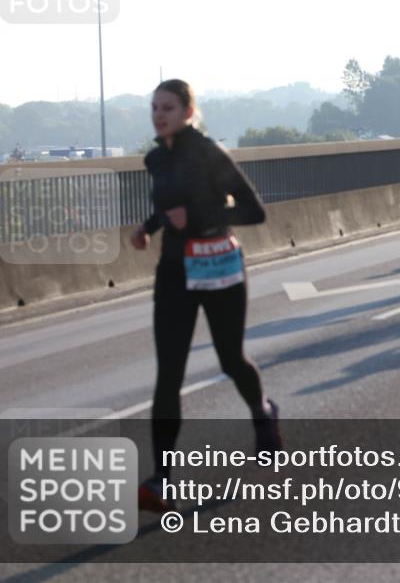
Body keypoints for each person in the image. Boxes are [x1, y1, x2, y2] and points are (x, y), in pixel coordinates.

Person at [130, 79, 279, 512]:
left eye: (168, 108)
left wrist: (194, 215)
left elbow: (254, 210)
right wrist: (149, 227)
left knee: (231, 359)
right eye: (155, 107)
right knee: (168, 373)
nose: (159, 115)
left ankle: (263, 412)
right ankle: (161, 480)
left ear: (188, 111)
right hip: (174, 271)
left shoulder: (209, 152)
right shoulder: (155, 158)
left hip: (218, 266)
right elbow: (168, 207)